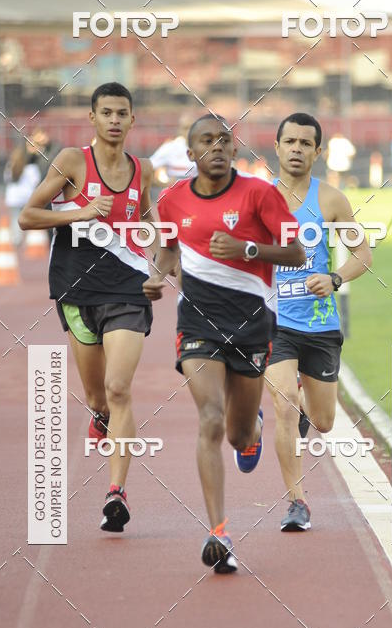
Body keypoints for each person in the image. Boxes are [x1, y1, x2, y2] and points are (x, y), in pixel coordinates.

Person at [144, 114, 305, 573]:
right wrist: (157, 276)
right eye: (205, 141)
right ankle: (218, 531)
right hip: (197, 323)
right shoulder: (172, 199)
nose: (216, 147)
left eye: (224, 141)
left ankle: (251, 425)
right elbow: (170, 249)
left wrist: (247, 250)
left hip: (253, 325)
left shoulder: (260, 194)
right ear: (190, 153)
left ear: (234, 150)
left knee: (237, 432)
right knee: (210, 419)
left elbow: (296, 253)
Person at [19, 82, 156, 533]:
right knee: (99, 398)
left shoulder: (144, 170)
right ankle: (99, 416)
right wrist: (77, 213)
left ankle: (116, 493)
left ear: (133, 120)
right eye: (107, 113)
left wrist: (160, 264)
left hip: (128, 292)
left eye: (123, 113)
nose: (115, 120)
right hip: (77, 292)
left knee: (119, 389)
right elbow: (28, 216)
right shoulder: (72, 161)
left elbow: (152, 222)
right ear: (93, 119)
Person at [265, 112, 372, 532]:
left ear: (317, 151)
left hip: (320, 325)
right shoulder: (258, 198)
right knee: (284, 406)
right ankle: (297, 502)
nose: (296, 149)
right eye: (289, 141)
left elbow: (363, 252)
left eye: (304, 143)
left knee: (323, 421)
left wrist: (335, 277)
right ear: (276, 147)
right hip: (274, 322)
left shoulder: (330, 199)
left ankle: (309, 411)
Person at [4, 145, 41, 246]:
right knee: (28, 219)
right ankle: (29, 239)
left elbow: (6, 179)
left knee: (15, 218)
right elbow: (36, 182)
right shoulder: (31, 168)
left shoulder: (10, 166)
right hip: (26, 198)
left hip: (13, 198)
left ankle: (16, 239)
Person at [149, 114, 196, 186]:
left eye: (192, 127)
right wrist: (161, 183)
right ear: (180, 130)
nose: (189, 131)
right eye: (186, 128)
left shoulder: (204, 148)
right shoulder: (170, 147)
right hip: (176, 189)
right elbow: (149, 167)